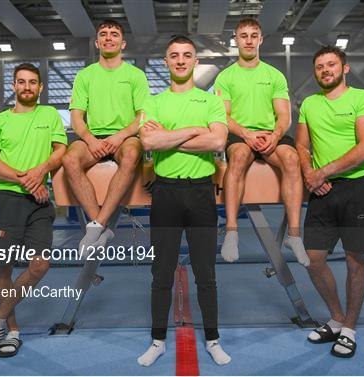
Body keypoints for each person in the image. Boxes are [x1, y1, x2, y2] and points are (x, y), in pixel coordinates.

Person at [137, 36, 230, 367]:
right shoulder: (153, 101)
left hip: (202, 193)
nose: (180, 60)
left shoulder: (211, 102)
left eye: (186, 56)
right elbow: (148, 139)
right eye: (174, 56)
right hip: (165, 193)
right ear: (165, 62)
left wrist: (170, 137)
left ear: (195, 62)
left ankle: (213, 339)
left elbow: (218, 140)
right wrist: (194, 133)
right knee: (161, 273)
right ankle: (158, 339)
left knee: (206, 273)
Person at [296, 45, 364, 358]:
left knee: (354, 261)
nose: (325, 70)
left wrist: (322, 172)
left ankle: (350, 329)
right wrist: (310, 174)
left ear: (344, 68)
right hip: (322, 191)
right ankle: (336, 318)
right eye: (319, 66)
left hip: (358, 189)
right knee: (313, 257)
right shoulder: (309, 103)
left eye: (331, 64)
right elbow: (302, 146)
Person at [0, 63, 67, 357]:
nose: (27, 86)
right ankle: (13, 332)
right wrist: (26, 179)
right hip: (6, 199)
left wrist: (40, 170)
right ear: (14, 87)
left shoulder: (50, 115)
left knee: (40, 265)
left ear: (41, 88)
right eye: (21, 82)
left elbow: (60, 151)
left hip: (39, 202)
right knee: (3, 269)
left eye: (33, 82)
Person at [214, 18, 309, 266]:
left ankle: (295, 235)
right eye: (243, 35)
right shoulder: (225, 77)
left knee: (291, 158)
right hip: (239, 134)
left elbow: (284, 116)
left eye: (253, 35)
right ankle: (232, 231)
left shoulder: (274, 75)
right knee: (239, 156)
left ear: (260, 39)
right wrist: (246, 134)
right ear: (236, 40)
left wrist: (275, 136)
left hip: (270, 134)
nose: (248, 40)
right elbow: (222, 116)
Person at [62, 19, 149, 253]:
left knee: (132, 152)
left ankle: (98, 224)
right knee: (69, 159)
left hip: (125, 137)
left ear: (123, 43)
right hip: (94, 137)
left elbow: (142, 116)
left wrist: (119, 136)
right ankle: (100, 225)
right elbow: (77, 118)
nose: (109, 37)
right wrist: (90, 140)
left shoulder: (135, 75)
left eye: (114, 34)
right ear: (97, 42)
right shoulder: (85, 76)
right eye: (104, 34)